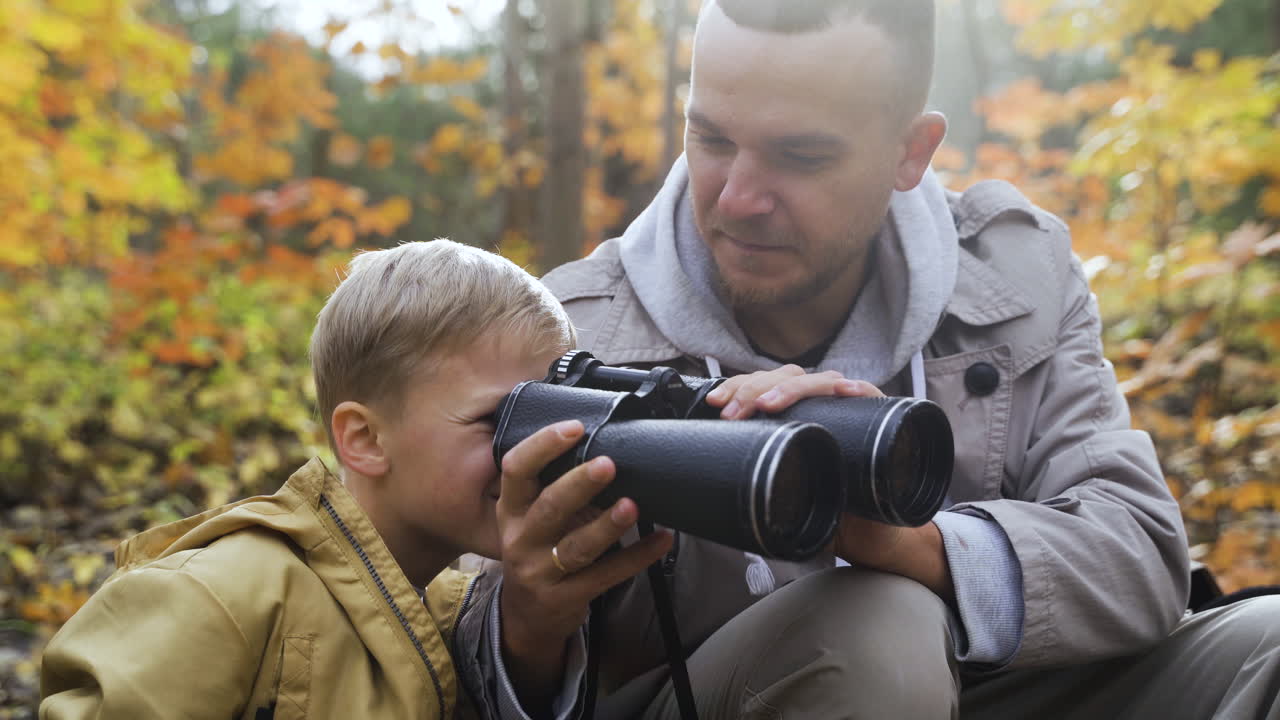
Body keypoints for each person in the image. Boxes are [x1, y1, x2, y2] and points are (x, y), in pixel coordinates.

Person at [496, 1, 1280, 718]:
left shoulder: (1017, 276)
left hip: (999, 690)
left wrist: (921, 547)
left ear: (911, 152)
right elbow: (452, 651)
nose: (738, 197)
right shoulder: (567, 334)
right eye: (712, 139)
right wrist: (525, 625)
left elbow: (1140, 556)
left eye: (799, 156)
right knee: (880, 628)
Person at [38, 239, 670, 719]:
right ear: (365, 439)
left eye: (550, 415)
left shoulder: (462, 617)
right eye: (499, 418)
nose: (535, 448)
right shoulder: (225, 594)